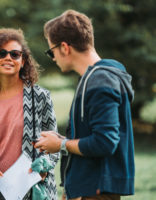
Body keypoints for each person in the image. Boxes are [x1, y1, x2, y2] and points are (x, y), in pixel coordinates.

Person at [34, 10, 135, 200]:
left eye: (51, 51)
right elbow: (97, 134)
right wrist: (63, 140)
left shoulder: (99, 80)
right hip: (88, 188)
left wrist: (62, 144)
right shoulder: (96, 77)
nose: (53, 58)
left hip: (96, 191)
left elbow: (105, 142)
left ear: (64, 47)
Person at [0, 28, 60, 200]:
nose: (8, 58)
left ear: (23, 61)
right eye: (2, 53)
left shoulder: (40, 97)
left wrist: (44, 166)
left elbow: (54, 143)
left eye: (15, 54)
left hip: (32, 189)